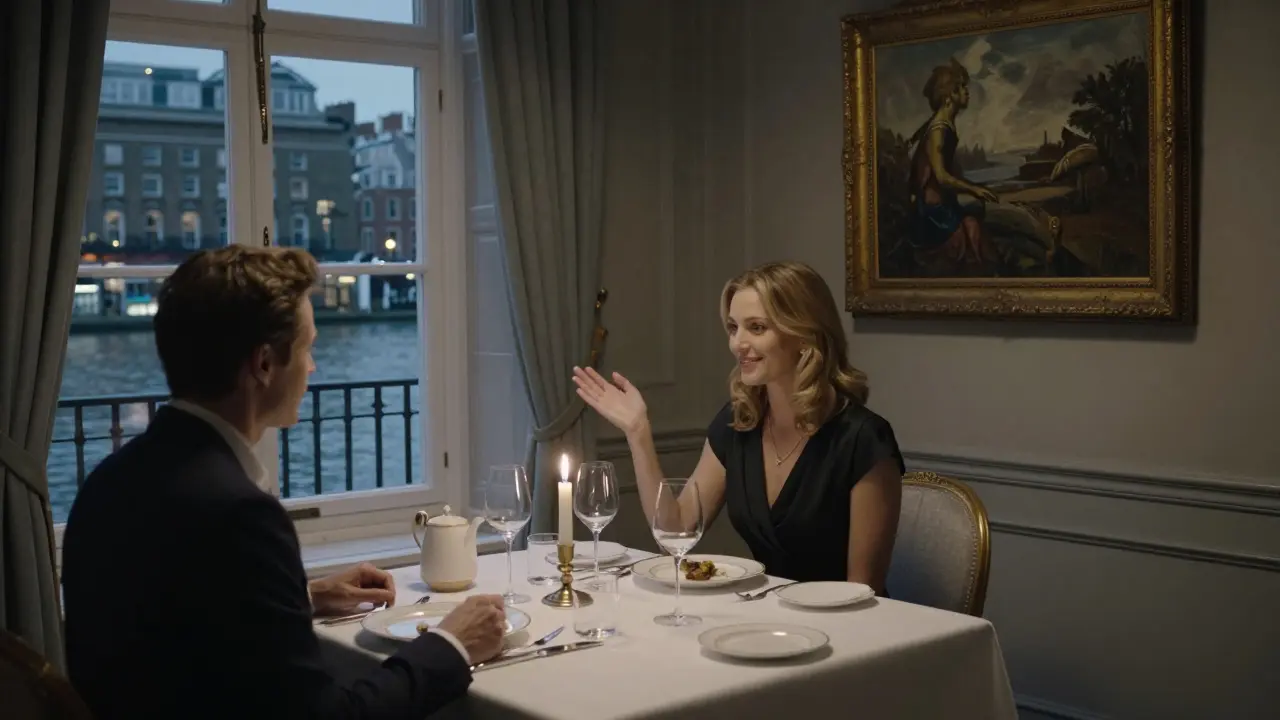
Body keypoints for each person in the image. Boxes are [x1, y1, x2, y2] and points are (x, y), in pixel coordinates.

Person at [61, 246, 507, 719]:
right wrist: (450, 644)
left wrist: (301, 598)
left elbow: (173, 631)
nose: (313, 367)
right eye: (308, 347)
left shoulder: (108, 482)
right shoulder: (238, 515)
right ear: (264, 364)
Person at [573, 261, 904, 593]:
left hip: (844, 630)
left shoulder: (863, 439)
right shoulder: (738, 424)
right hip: (765, 621)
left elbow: (863, 591)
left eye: (757, 328)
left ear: (805, 335)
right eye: (733, 328)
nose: (737, 343)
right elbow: (676, 531)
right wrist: (637, 431)